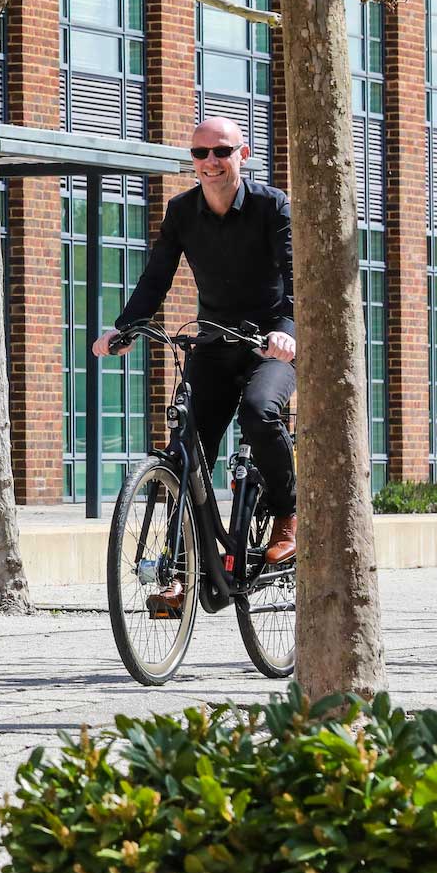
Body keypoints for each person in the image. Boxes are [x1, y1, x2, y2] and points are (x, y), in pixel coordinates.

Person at [93, 117, 298, 573]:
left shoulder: (272, 206)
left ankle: (287, 517)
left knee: (260, 411)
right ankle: (180, 569)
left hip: (271, 343)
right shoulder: (182, 211)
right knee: (187, 449)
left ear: (242, 155)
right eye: (200, 154)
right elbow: (156, 278)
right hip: (215, 344)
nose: (211, 162)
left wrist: (287, 330)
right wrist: (125, 328)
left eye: (221, 152)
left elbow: (295, 276)